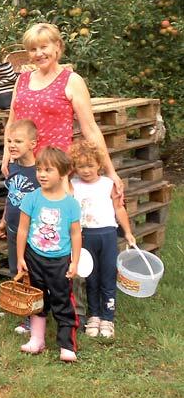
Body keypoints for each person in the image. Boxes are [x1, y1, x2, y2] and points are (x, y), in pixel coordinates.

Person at [2, 22, 124, 201]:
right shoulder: (22, 80)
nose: (39, 53)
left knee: (52, 224)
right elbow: (12, 122)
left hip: (55, 169)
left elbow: (90, 129)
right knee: (21, 221)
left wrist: (110, 171)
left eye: (44, 47)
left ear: (57, 46)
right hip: (23, 166)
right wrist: (7, 153)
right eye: (33, 49)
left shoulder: (72, 81)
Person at [17, 147, 82, 362]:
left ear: (62, 173)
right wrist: (20, 257)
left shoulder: (70, 203)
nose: (41, 174)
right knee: (37, 299)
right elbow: (23, 230)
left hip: (60, 260)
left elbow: (75, 234)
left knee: (62, 301)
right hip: (34, 257)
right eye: (39, 169)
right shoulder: (32, 198)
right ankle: (37, 339)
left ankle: (67, 345)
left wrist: (75, 261)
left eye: (48, 170)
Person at [70, 139, 136, 340]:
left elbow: (119, 209)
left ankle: (108, 316)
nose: (86, 170)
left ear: (99, 164)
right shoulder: (72, 185)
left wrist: (128, 232)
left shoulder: (109, 184)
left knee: (107, 276)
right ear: (75, 167)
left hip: (106, 235)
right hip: (84, 236)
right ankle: (94, 315)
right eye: (81, 166)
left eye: (90, 165)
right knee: (90, 277)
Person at [0, 119, 39, 334]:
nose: (12, 145)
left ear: (33, 144)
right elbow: (11, 196)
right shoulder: (12, 166)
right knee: (16, 270)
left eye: (18, 141)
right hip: (13, 228)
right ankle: (18, 307)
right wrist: (4, 220)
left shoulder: (40, 171)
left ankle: (33, 316)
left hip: (31, 233)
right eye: (9, 141)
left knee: (30, 272)